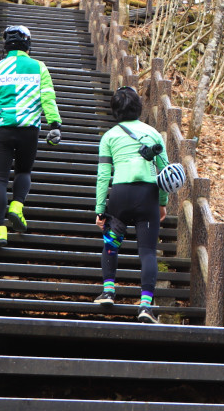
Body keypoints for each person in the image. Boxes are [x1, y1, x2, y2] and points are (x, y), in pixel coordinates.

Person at [0, 25, 62, 248]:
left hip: (2, 130)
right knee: (23, 171)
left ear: (5, 45)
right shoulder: (38, 67)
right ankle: (17, 207)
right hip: (29, 130)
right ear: (28, 44)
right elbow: (48, 97)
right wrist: (54, 124)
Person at [94, 86, 168, 323]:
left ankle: (108, 291)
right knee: (147, 252)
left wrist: (99, 209)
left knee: (111, 244)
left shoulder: (109, 137)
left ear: (115, 110)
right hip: (148, 196)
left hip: (120, 196)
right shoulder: (153, 134)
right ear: (138, 107)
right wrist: (162, 203)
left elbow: (104, 175)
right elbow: (164, 171)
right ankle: (146, 305)